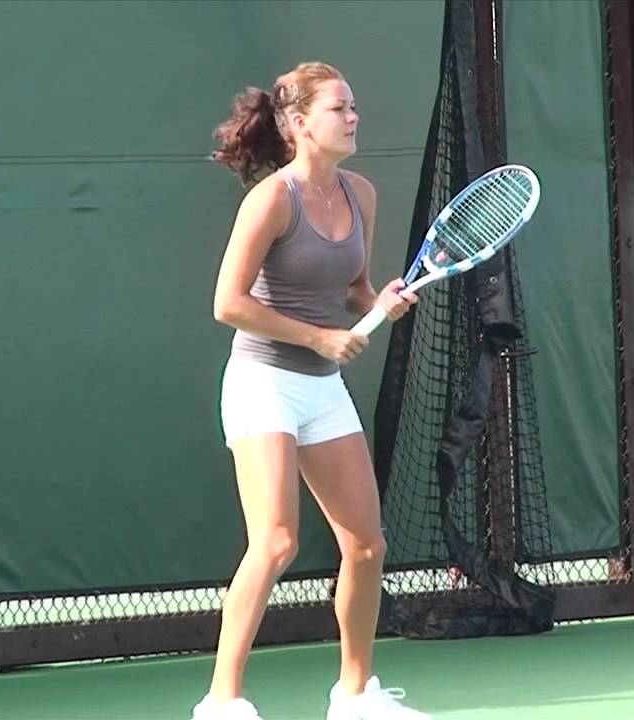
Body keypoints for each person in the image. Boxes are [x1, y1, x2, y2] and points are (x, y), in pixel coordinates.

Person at [192, 62, 428, 720]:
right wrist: (319, 338)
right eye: (338, 109)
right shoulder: (270, 200)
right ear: (298, 125)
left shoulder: (361, 194)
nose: (352, 118)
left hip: (322, 388)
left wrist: (377, 299)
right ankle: (222, 702)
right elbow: (228, 303)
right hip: (262, 381)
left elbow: (351, 291)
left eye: (354, 107)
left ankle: (355, 696)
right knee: (274, 541)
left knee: (366, 545)